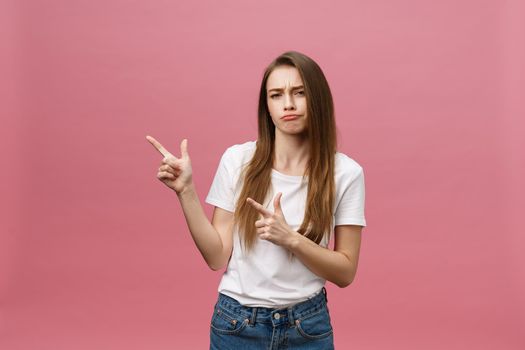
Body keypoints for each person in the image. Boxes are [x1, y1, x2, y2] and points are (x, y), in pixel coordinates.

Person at [146, 50, 366, 349]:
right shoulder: (239, 160)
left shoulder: (346, 173)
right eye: (276, 95)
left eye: (299, 93)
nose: (287, 104)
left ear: (318, 99)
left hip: (308, 326)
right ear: (267, 106)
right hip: (237, 325)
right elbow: (216, 257)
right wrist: (186, 192)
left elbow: (345, 272)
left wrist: (291, 239)